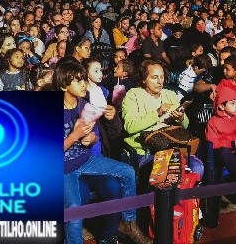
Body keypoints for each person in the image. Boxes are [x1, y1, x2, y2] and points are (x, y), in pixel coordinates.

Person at [59, 60, 153, 244]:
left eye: (83, 80)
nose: (83, 84)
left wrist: (91, 139)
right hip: (65, 168)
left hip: (85, 159)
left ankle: (127, 223)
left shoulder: (83, 105)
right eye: (77, 81)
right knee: (74, 210)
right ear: (64, 85)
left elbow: (95, 134)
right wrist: (75, 135)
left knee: (128, 171)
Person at [120, 59, 191, 158]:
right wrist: (157, 113)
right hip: (145, 150)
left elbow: (186, 125)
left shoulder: (169, 94)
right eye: (154, 77)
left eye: (162, 77)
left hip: (170, 147)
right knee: (168, 170)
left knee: (197, 166)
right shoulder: (133, 95)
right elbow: (130, 127)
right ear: (144, 79)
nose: (159, 81)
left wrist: (181, 118)